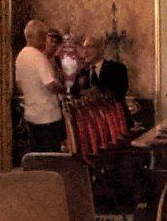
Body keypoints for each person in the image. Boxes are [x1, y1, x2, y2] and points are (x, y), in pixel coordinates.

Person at [15, 18, 66, 154]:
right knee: (50, 156)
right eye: (44, 36)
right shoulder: (38, 57)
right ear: (38, 36)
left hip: (31, 115)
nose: (45, 41)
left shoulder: (20, 57)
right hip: (47, 116)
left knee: (36, 155)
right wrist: (62, 88)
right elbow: (50, 84)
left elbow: (19, 85)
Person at [71, 34, 130, 103]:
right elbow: (74, 94)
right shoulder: (81, 72)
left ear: (100, 49)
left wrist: (97, 92)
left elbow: (119, 92)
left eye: (89, 47)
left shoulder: (117, 69)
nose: (85, 52)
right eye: (84, 48)